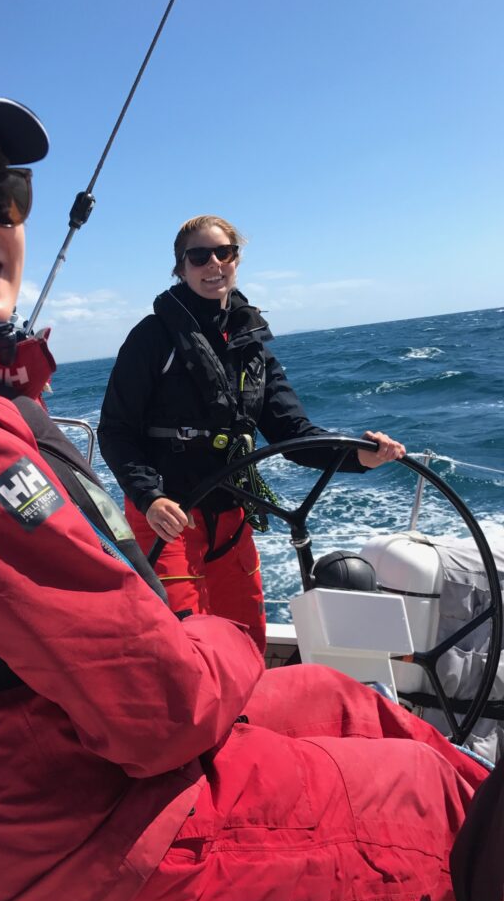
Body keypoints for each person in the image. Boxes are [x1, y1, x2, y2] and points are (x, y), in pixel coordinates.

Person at [0, 76, 492, 901]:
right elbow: (164, 708)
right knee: (432, 801)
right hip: (84, 866)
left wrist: (346, 455)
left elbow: (287, 427)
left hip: (62, 793)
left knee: (342, 701)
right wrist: (229, 640)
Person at [98, 216, 405, 649]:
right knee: (185, 644)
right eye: (199, 256)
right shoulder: (151, 339)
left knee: (245, 638)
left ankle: (247, 717)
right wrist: (149, 497)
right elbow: (115, 430)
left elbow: (294, 434)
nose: (213, 264)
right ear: (180, 267)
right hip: (167, 519)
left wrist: (359, 457)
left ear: (236, 260)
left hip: (231, 519)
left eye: (224, 253)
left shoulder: (251, 347)